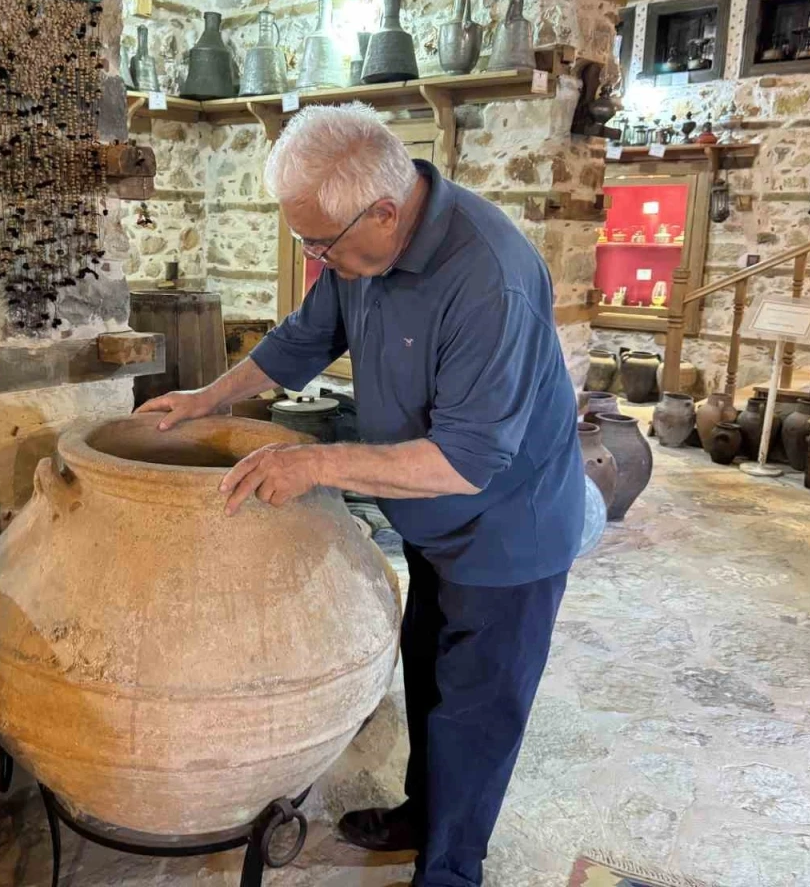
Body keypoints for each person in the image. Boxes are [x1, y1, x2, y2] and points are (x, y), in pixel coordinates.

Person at [136, 102, 584, 887]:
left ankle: (450, 871)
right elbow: (302, 340)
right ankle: (423, 815)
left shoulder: (490, 279)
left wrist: (315, 465)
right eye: (303, 242)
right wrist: (209, 398)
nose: (316, 259)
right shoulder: (359, 254)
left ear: (383, 209)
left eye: (321, 244)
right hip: (430, 520)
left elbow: (465, 463)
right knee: (429, 676)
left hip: (507, 529)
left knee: (477, 712)